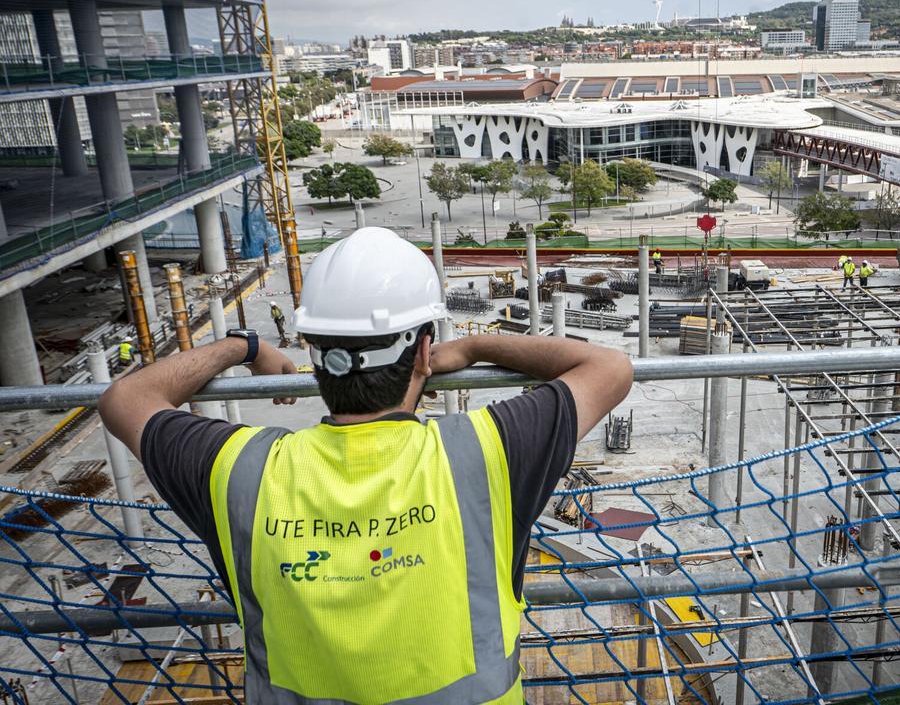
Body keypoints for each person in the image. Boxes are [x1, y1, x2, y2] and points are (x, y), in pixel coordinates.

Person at [98, 227, 632, 704]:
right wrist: (469, 347)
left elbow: (125, 398)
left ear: (312, 350)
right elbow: (608, 366)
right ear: (424, 352)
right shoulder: (487, 452)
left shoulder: (238, 470)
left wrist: (243, 346)